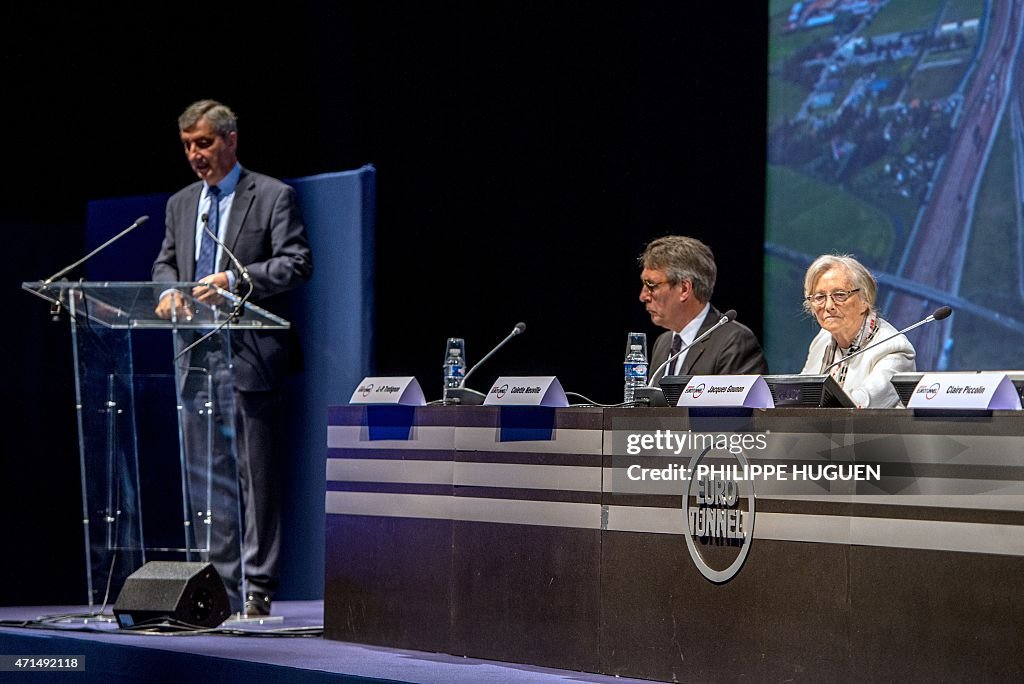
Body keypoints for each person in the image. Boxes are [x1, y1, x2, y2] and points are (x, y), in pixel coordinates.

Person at [153, 100, 313, 616]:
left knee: (255, 479)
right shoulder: (181, 204)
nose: (195, 155)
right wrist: (169, 291)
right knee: (206, 479)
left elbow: (296, 263)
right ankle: (216, 587)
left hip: (249, 357)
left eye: (203, 143)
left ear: (230, 140)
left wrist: (234, 281)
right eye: (187, 146)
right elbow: (165, 264)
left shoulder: (271, 195)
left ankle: (258, 588)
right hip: (196, 359)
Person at [639, 235, 768, 383]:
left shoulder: (735, 342)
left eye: (651, 285)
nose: (643, 296)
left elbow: (734, 406)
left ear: (684, 289)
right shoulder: (663, 342)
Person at [799, 254, 914, 408]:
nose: (828, 306)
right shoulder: (823, 339)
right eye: (819, 297)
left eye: (840, 295)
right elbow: (800, 392)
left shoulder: (894, 348)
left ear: (865, 300)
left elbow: (862, 404)